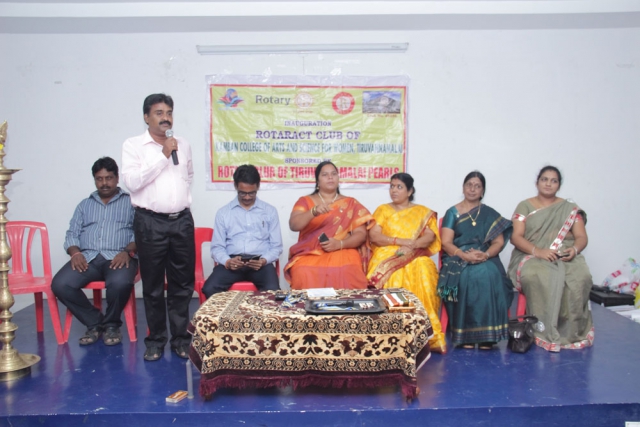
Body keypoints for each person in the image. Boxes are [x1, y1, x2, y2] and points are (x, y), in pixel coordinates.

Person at [121, 93, 195, 362]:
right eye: (159, 113)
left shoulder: (182, 144)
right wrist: (163, 155)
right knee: (152, 286)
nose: (166, 118)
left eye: (169, 112)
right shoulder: (133, 145)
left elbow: (188, 176)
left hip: (182, 221)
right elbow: (132, 183)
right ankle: (155, 341)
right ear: (146, 117)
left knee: (182, 285)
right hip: (150, 223)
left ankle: (181, 339)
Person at [507, 166, 594, 352]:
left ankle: (571, 332)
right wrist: (538, 251)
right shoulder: (525, 206)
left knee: (580, 277)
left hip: (564, 255)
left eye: (553, 181)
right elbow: (515, 237)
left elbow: (581, 237)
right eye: (544, 179)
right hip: (531, 254)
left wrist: (574, 250)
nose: (548, 184)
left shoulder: (569, 208)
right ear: (537, 182)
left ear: (559, 185)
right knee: (541, 275)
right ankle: (542, 328)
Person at [52, 157, 137, 346]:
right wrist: (75, 253)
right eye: (99, 179)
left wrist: (127, 251)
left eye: (109, 178)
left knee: (120, 282)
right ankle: (96, 322)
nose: (104, 183)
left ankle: (112, 324)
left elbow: (141, 233)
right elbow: (72, 233)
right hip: (87, 258)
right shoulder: (84, 205)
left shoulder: (132, 203)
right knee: (60, 284)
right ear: (94, 180)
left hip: (119, 256)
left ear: (117, 178)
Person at [366, 173, 446, 353]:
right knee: (394, 275)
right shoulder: (383, 210)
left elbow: (429, 237)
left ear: (410, 191)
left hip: (414, 253)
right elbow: (375, 236)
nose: (394, 190)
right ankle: (394, 334)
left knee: (425, 268)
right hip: (387, 253)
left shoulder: (422, 212)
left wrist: (412, 246)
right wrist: (399, 242)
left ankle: (426, 333)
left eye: (399, 187)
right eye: (392, 186)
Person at [437, 171, 514, 350]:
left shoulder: (489, 213)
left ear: (482, 191)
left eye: (477, 186)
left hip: (484, 255)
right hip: (457, 256)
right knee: (465, 276)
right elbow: (446, 242)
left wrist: (485, 255)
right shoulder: (452, 213)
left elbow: (498, 242)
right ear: (463, 188)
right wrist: (464, 255)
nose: (472, 189)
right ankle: (466, 336)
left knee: (490, 274)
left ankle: (489, 337)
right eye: (469, 185)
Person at [284, 161, 373, 289]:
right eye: (325, 174)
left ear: (338, 178)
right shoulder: (305, 201)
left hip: (343, 249)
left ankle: (349, 302)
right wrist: (313, 212)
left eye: (333, 174)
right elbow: (294, 225)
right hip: (310, 251)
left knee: (350, 269)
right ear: (317, 181)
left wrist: (340, 244)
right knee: (302, 271)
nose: (330, 177)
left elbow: (361, 234)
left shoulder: (350, 203)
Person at [202, 165, 283, 298]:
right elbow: (217, 247)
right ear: (235, 186)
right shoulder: (224, 213)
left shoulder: (269, 211)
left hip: (260, 263)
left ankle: (257, 313)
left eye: (251, 193)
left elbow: (276, 247)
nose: (247, 197)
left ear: (258, 187)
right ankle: (228, 313)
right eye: (242, 193)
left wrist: (263, 261)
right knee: (209, 288)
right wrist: (227, 262)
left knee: (273, 293)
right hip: (232, 262)